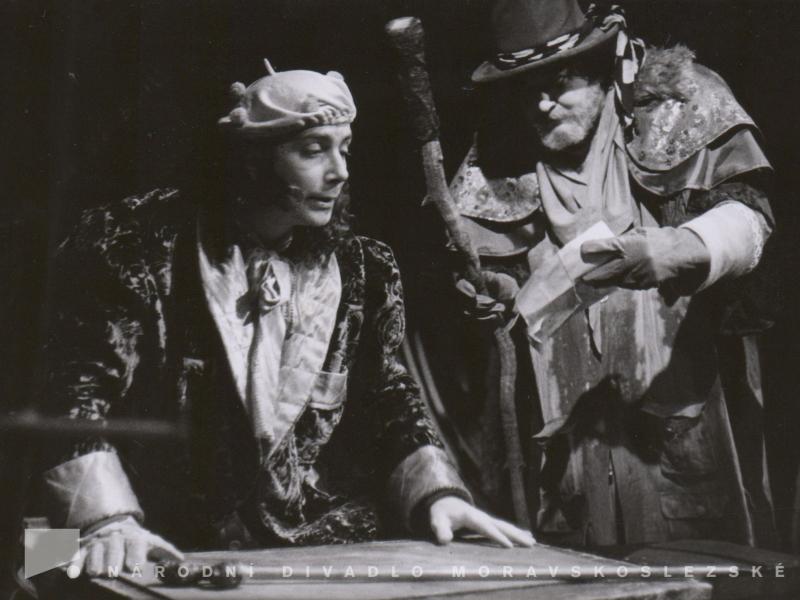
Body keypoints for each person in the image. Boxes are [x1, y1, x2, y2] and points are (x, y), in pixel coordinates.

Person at [39, 61, 533, 577]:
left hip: (296, 546)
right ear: (253, 159)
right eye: (313, 150)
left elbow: (384, 393)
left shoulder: (362, 268)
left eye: (344, 148)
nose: (339, 171)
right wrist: (105, 519)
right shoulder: (133, 241)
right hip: (143, 535)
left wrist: (437, 494)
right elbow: (71, 388)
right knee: (50, 574)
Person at [419, 0, 777, 548]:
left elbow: (751, 217)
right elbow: (506, 281)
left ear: (599, 68)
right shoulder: (504, 153)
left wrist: (680, 247)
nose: (541, 105)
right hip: (574, 466)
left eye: (559, 83)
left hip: (685, 442)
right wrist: (495, 290)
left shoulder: (679, 107)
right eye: (526, 89)